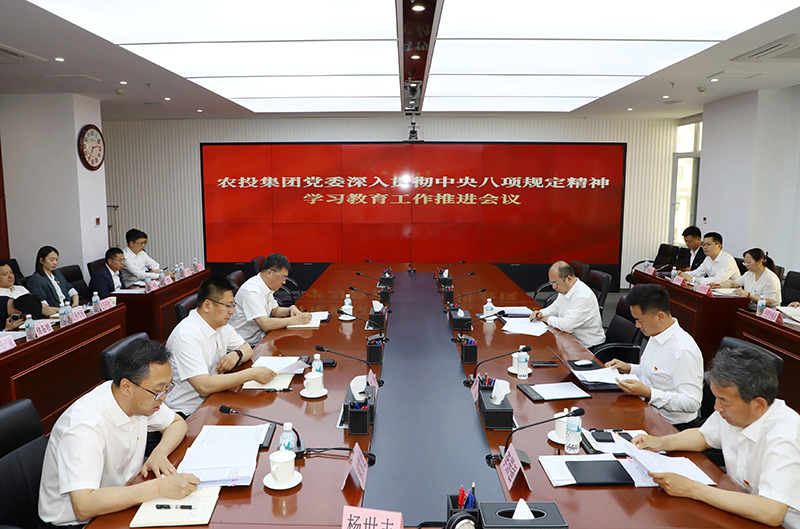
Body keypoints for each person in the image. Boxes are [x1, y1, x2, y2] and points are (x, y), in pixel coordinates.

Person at [631, 347, 800, 528]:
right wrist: (660, 442)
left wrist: (692, 488)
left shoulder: (785, 436)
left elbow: (772, 512)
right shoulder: (737, 412)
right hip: (741, 505)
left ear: (758, 404)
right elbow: (703, 436)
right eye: (716, 398)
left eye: (723, 401)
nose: (716, 407)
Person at [38, 339, 199, 526]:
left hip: (125, 496)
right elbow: (83, 506)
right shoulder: (85, 426)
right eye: (158, 391)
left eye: (167, 388)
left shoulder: (138, 399)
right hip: (80, 523)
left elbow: (177, 423)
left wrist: (160, 452)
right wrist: (158, 487)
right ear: (126, 387)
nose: (163, 398)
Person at [165, 276, 277, 416]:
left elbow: (247, 348)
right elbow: (204, 386)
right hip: (189, 411)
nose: (232, 311)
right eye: (228, 306)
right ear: (207, 305)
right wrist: (251, 374)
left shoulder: (221, 325)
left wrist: (236, 354)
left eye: (233, 305)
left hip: (216, 396)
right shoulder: (186, 336)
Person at [605, 284, 703, 428]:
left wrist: (649, 393)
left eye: (640, 320)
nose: (637, 325)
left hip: (670, 425)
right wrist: (629, 368)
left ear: (660, 316)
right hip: (646, 411)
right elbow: (658, 373)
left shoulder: (682, 350)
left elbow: (692, 402)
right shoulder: (656, 332)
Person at [229, 253, 312, 346]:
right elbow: (265, 325)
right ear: (269, 273)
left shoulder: (266, 285)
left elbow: (274, 310)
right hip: (246, 345)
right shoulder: (251, 291)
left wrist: (290, 310)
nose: (284, 282)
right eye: (283, 277)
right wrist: (296, 320)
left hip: (262, 339)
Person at [529, 261, 605, 348]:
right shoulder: (566, 288)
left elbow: (567, 326)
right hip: (570, 339)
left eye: (555, 283)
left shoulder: (583, 297)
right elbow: (556, 307)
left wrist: (546, 319)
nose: (553, 287)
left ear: (569, 279)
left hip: (587, 347)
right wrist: (542, 313)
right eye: (551, 283)